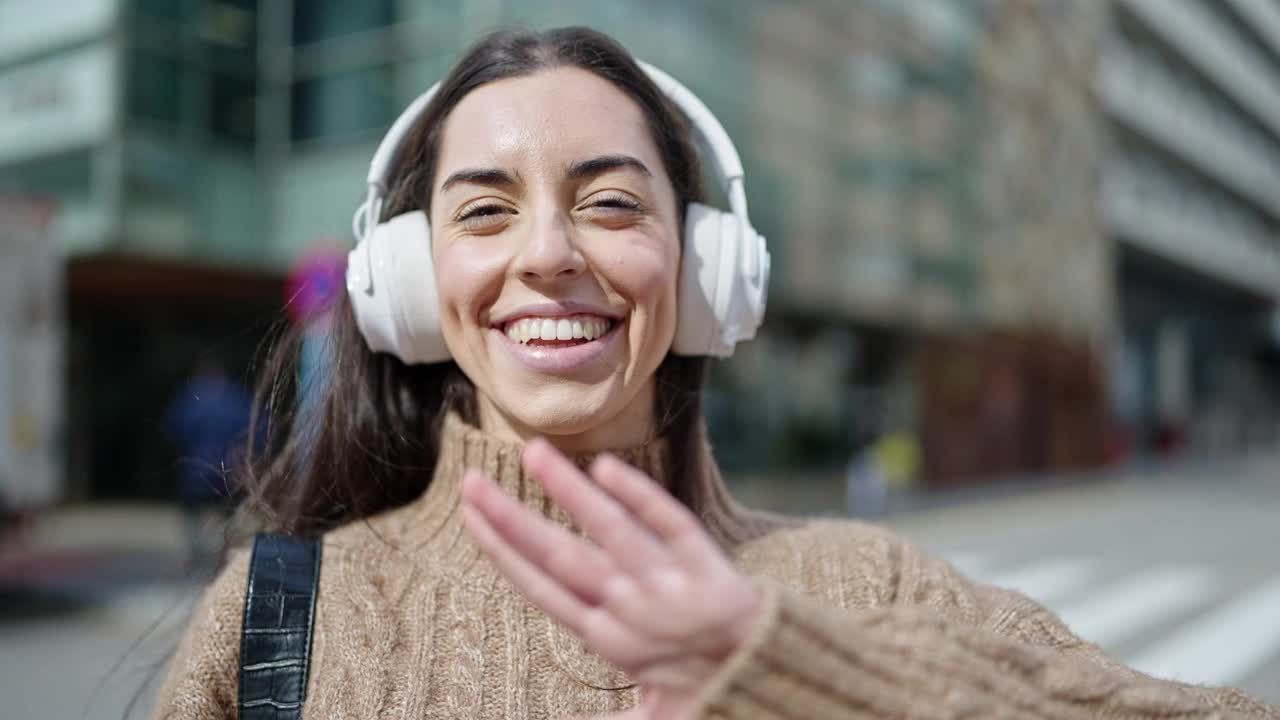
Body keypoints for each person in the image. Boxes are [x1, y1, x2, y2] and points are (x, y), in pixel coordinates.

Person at [152, 27, 1278, 719]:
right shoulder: (275, 616)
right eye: (485, 211)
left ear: (702, 270)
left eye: (609, 202)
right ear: (405, 278)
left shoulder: (866, 593)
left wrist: (810, 676)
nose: (547, 254)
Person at [163, 355, 253, 567]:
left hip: (194, 468)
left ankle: (195, 551)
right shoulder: (237, 397)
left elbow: (172, 430)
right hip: (228, 470)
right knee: (228, 511)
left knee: (192, 512)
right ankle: (224, 551)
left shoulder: (189, 397)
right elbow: (256, 431)